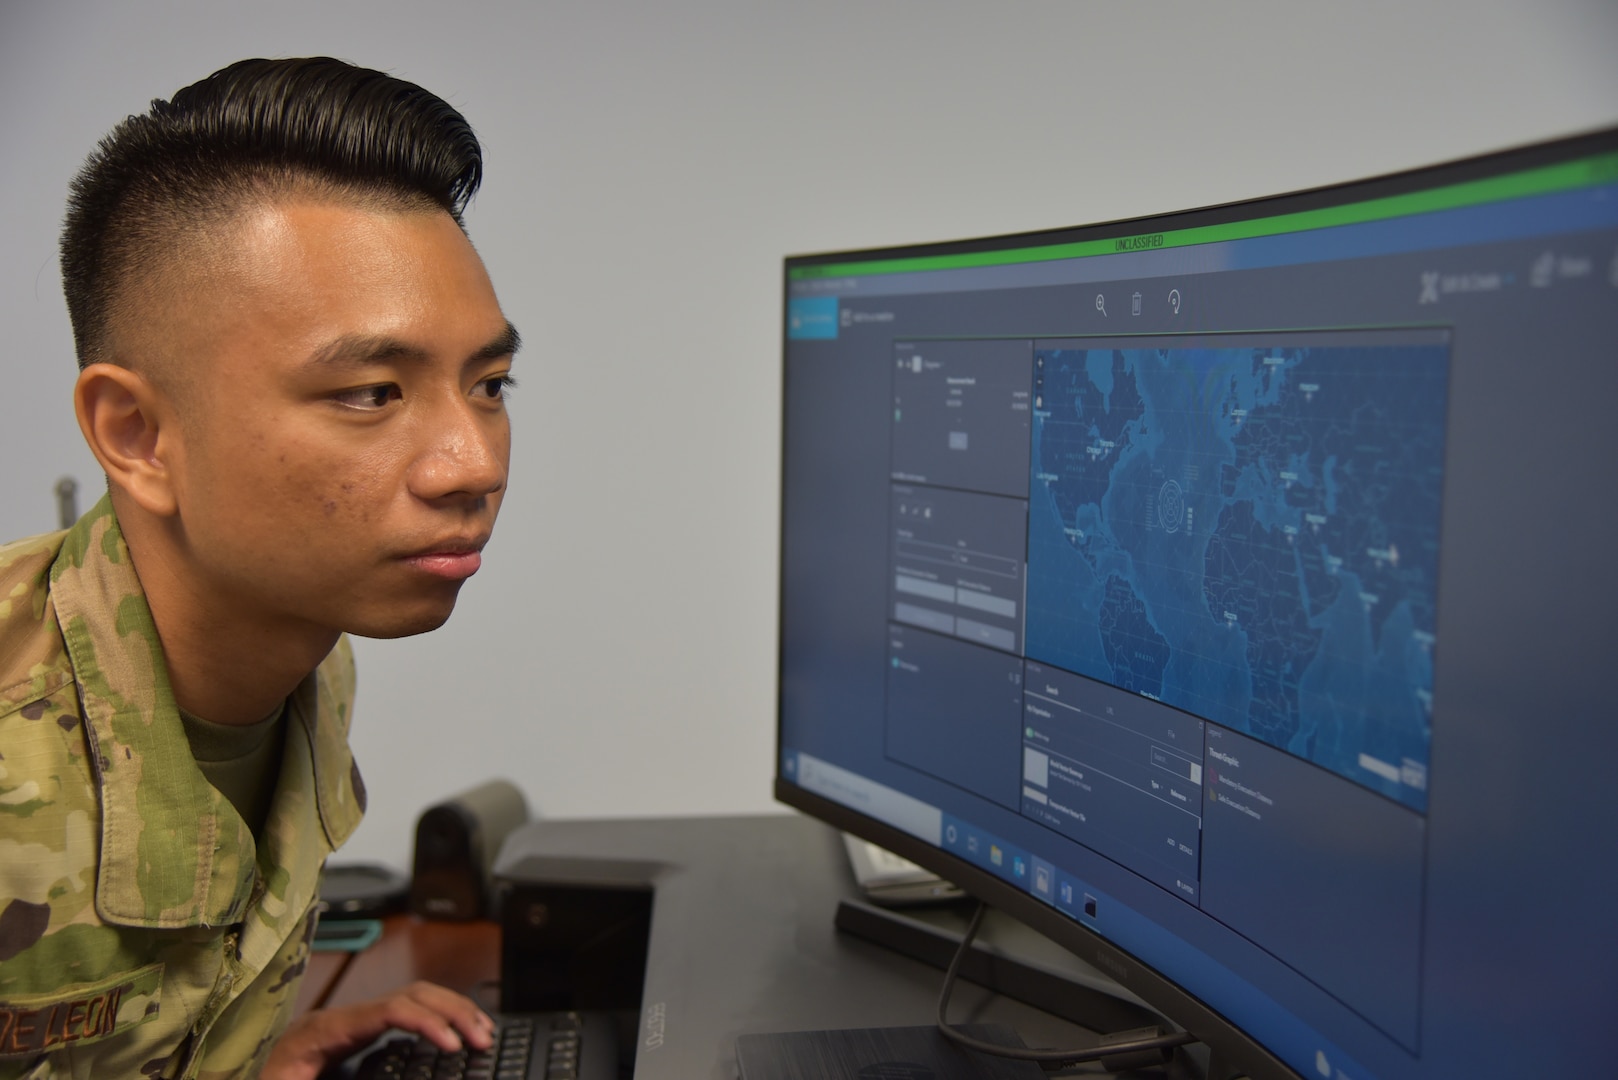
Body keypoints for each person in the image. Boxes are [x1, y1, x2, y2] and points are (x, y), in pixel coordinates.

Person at [0, 58, 518, 1079]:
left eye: (491, 382)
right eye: (372, 392)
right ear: (138, 434)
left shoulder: (301, 649)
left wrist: (251, 1058)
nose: (475, 463)